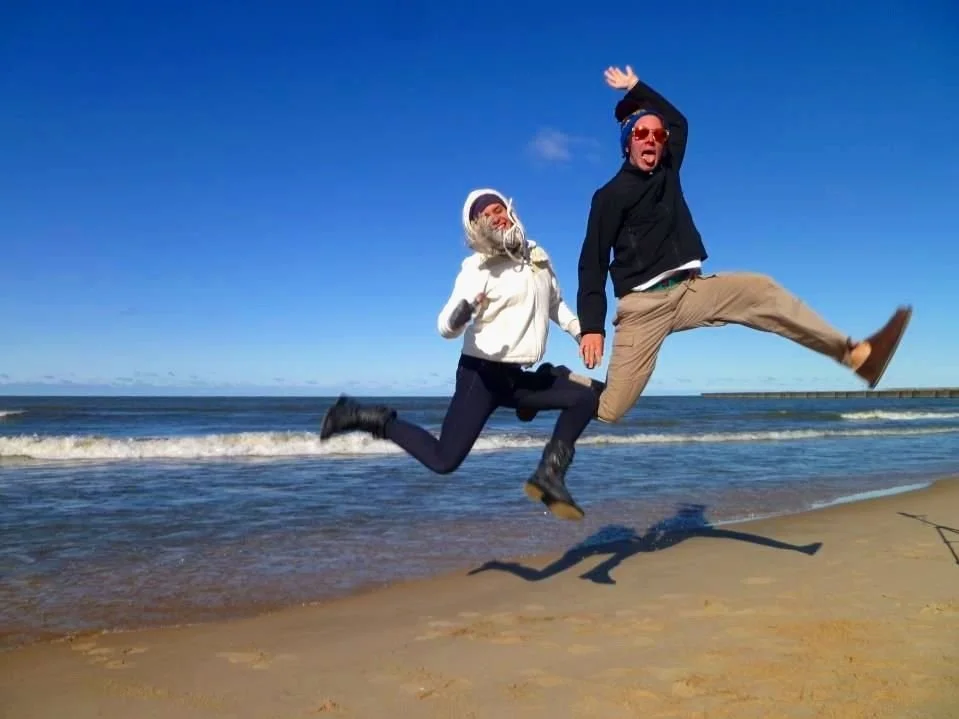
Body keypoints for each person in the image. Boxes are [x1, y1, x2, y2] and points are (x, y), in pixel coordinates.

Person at [575, 65, 912, 423]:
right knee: (611, 410)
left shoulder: (668, 172)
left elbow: (679, 122)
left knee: (759, 290)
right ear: (627, 141)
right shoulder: (610, 196)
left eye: (658, 135)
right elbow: (592, 263)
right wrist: (592, 327)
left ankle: (857, 356)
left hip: (690, 291)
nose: (651, 140)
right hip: (644, 306)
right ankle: (555, 381)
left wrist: (636, 86)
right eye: (641, 133)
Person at [319, 188, 599, 520]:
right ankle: (362, 416)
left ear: (510, 211)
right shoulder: (477, 268)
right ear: (477, 227)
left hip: (516, 378)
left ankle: (549, 474)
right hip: (480, 377)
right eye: (486, 215)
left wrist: (582, 332)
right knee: (443, 460)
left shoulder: (536, 255)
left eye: (499, 209)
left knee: (585, 399)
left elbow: (555, 304)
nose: (496, 217)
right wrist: (462, 314)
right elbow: (445, 326)